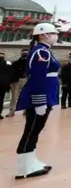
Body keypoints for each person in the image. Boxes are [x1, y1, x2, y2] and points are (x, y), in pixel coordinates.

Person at [15, 23, 61, 179]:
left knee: (35, 130)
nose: (56, 35)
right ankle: (24, 167)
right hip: (40, 96)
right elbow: (37, 78)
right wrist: (39, 101)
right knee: (32, 130)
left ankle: (31, 160)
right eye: (53, 33)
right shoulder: (42, 52)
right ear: (43, 35)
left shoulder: (44, 51)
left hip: (46, 95)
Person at [7, 49, 28, 117]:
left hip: (27, 80)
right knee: (13, 97)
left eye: (26, 53)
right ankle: (12, 111)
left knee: (26, 96)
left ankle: (26, 110)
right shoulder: (15, 63)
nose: (25, 54)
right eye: (23, 53)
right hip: (16, 81)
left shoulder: (30, 62)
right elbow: (11, 72)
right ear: (21, 53)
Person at [0, 52, 12, 119]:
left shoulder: (8, 64)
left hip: (3, 85)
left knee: (1, 99)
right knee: (1, 99)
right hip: (3, 85)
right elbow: (10, 74)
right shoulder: (8, 64)